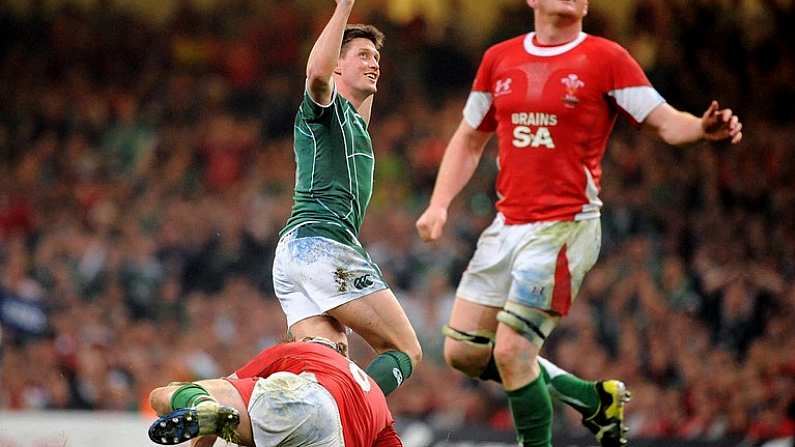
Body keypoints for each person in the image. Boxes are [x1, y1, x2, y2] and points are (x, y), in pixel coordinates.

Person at [415, 1, 743, 447]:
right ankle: (592, 399)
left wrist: (701, 129)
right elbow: (470, 138)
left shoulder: (607, 59)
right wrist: (438, 205)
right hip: (506, 224)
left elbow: (665, 122)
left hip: (565, 228)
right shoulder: (499, 59)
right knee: (463, 352)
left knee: (512, 351)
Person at [272, 0, 421, 397]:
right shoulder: (323, 109)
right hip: (324, 247)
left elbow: (362, 90)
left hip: (293, 253)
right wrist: (344, 9)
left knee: (325, 366)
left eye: (377, 58)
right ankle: (353, 412)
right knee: (405, 349)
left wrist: (372, 38)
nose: (374, 64)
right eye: (363, 56)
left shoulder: (355, 123)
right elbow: (317, 73)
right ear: (338, 65)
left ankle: (231, 400)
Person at [148, 338, 402, 446]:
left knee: (163, 395)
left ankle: (198, 401)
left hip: (309, 400)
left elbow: (226, 390)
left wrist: (207, 414)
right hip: (334, 440)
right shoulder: (381, 410)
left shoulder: (304, 350)